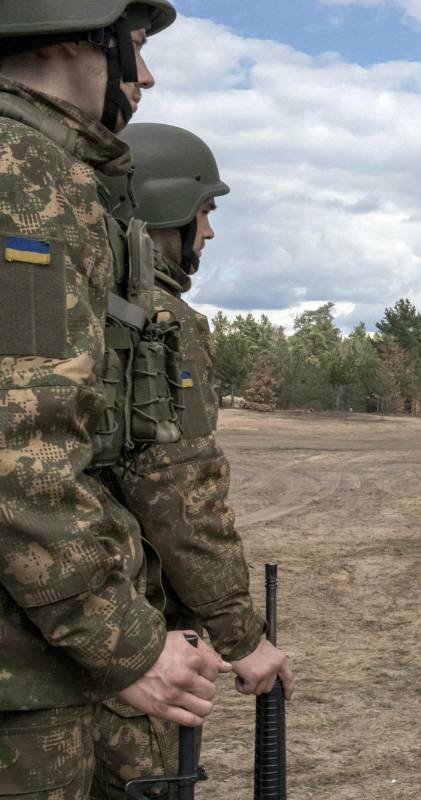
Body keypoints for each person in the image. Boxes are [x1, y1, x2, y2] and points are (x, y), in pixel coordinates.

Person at [0, 4, 230, 797]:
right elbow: (22, 452)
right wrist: (126, 645)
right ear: (76, 33)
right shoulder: (25, 171)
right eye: (134, 42)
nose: (147, 72)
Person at [90, 123, 295, 797]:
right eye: (204, 211)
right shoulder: (159, 321)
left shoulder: (77, 303)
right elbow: (179, 498)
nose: (209, 231)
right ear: (163, 211)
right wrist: (242, 634)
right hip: (131, 627)